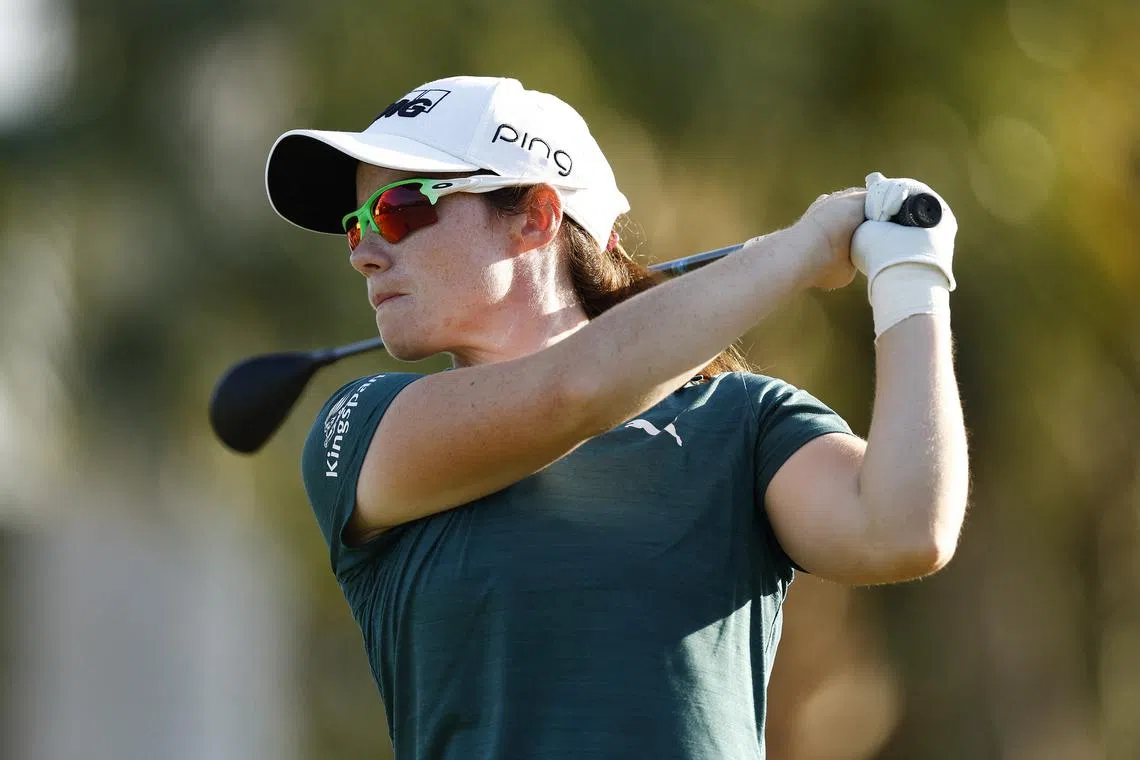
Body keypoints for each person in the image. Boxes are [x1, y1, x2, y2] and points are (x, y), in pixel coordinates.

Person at [264, 75, 969, 759]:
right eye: (356, 227)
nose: (364, 253)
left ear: (536, 217)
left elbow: (904, 529)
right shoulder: (364, 426)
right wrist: (800, 249)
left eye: (397, 211)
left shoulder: (743, 421)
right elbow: (575, 391)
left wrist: (912, 279)